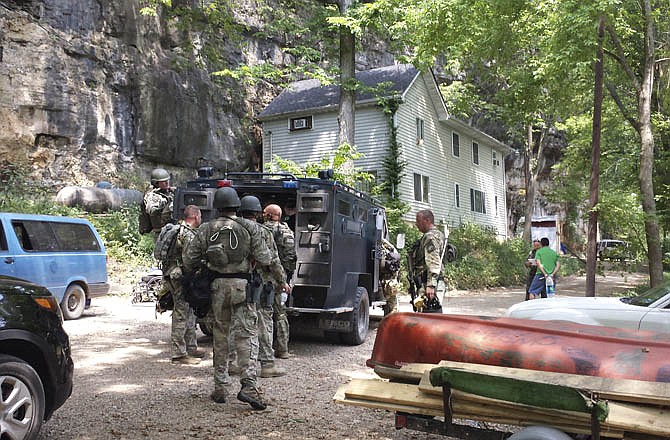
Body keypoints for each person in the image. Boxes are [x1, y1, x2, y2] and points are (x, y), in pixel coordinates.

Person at [182, 186, 286, 410]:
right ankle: (248, 386)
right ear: (236, 206)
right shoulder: (250, 227)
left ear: (217, 206)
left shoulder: (207, 229)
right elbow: (265, 258)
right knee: (247, 335)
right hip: (243, 287)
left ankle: (220, 388)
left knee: (220, 337)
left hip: (217, 288)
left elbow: (189, 260)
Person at [239, 196, 289, 378]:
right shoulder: (262, 231)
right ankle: (267, 364)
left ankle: (234, 363)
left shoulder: (229, 229)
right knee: (263, 322)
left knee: (232, 323)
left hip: (233, 283)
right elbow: (273, 260)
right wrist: (283, 280)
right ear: (258, 213)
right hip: (259, 283)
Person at [166, 205, 204, 364]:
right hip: (181, 277)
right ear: (195, 216)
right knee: (181, 312)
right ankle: (179, 353)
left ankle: (190, 347)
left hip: (176, 274)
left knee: (189, 312)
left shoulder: (180, 230)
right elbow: (189, 260)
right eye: (200, 215)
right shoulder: (188, 234)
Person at [262, 203, 296, 358]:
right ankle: (282, 349)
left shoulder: (260, 230)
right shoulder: (287, 231)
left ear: (269, 215)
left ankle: (263, 351)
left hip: (261, 278)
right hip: (279, 278)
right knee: (281, 314)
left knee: (262, 314)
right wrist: (285, 278)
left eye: (264, 212)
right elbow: (290, 257)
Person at [409, 210, 446, 313]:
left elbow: (433, 260)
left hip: (429, 282)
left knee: (429, 315)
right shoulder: (439, 234)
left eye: (418, 221)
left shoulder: (430, 237)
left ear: (427, 220)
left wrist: (431, 285)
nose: (416, 224)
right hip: (432, 280)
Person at [139, 168, 174, 242]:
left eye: (167, 180)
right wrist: (164, 203)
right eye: (163, 181)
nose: (167, 183)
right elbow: (152, 210)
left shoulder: (168, 192)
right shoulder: (152, 196)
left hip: (171, 229)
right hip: (160, 232)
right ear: (156, 183)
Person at [379, 238, 401, 316]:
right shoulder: (392, 250)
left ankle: (392, 320)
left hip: (387, 280)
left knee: (391, 303)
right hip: (391, 280)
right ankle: (390, 319)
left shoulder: (384, 249)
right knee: (391, 302)